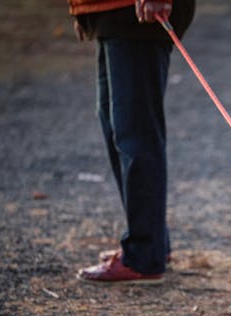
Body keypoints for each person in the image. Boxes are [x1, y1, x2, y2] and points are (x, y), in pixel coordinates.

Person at [68, 0, 195, 284]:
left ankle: (144, 255)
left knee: (135, 134)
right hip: (112, 12)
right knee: (119, 129)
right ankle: (152, 246)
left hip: (135, 15)